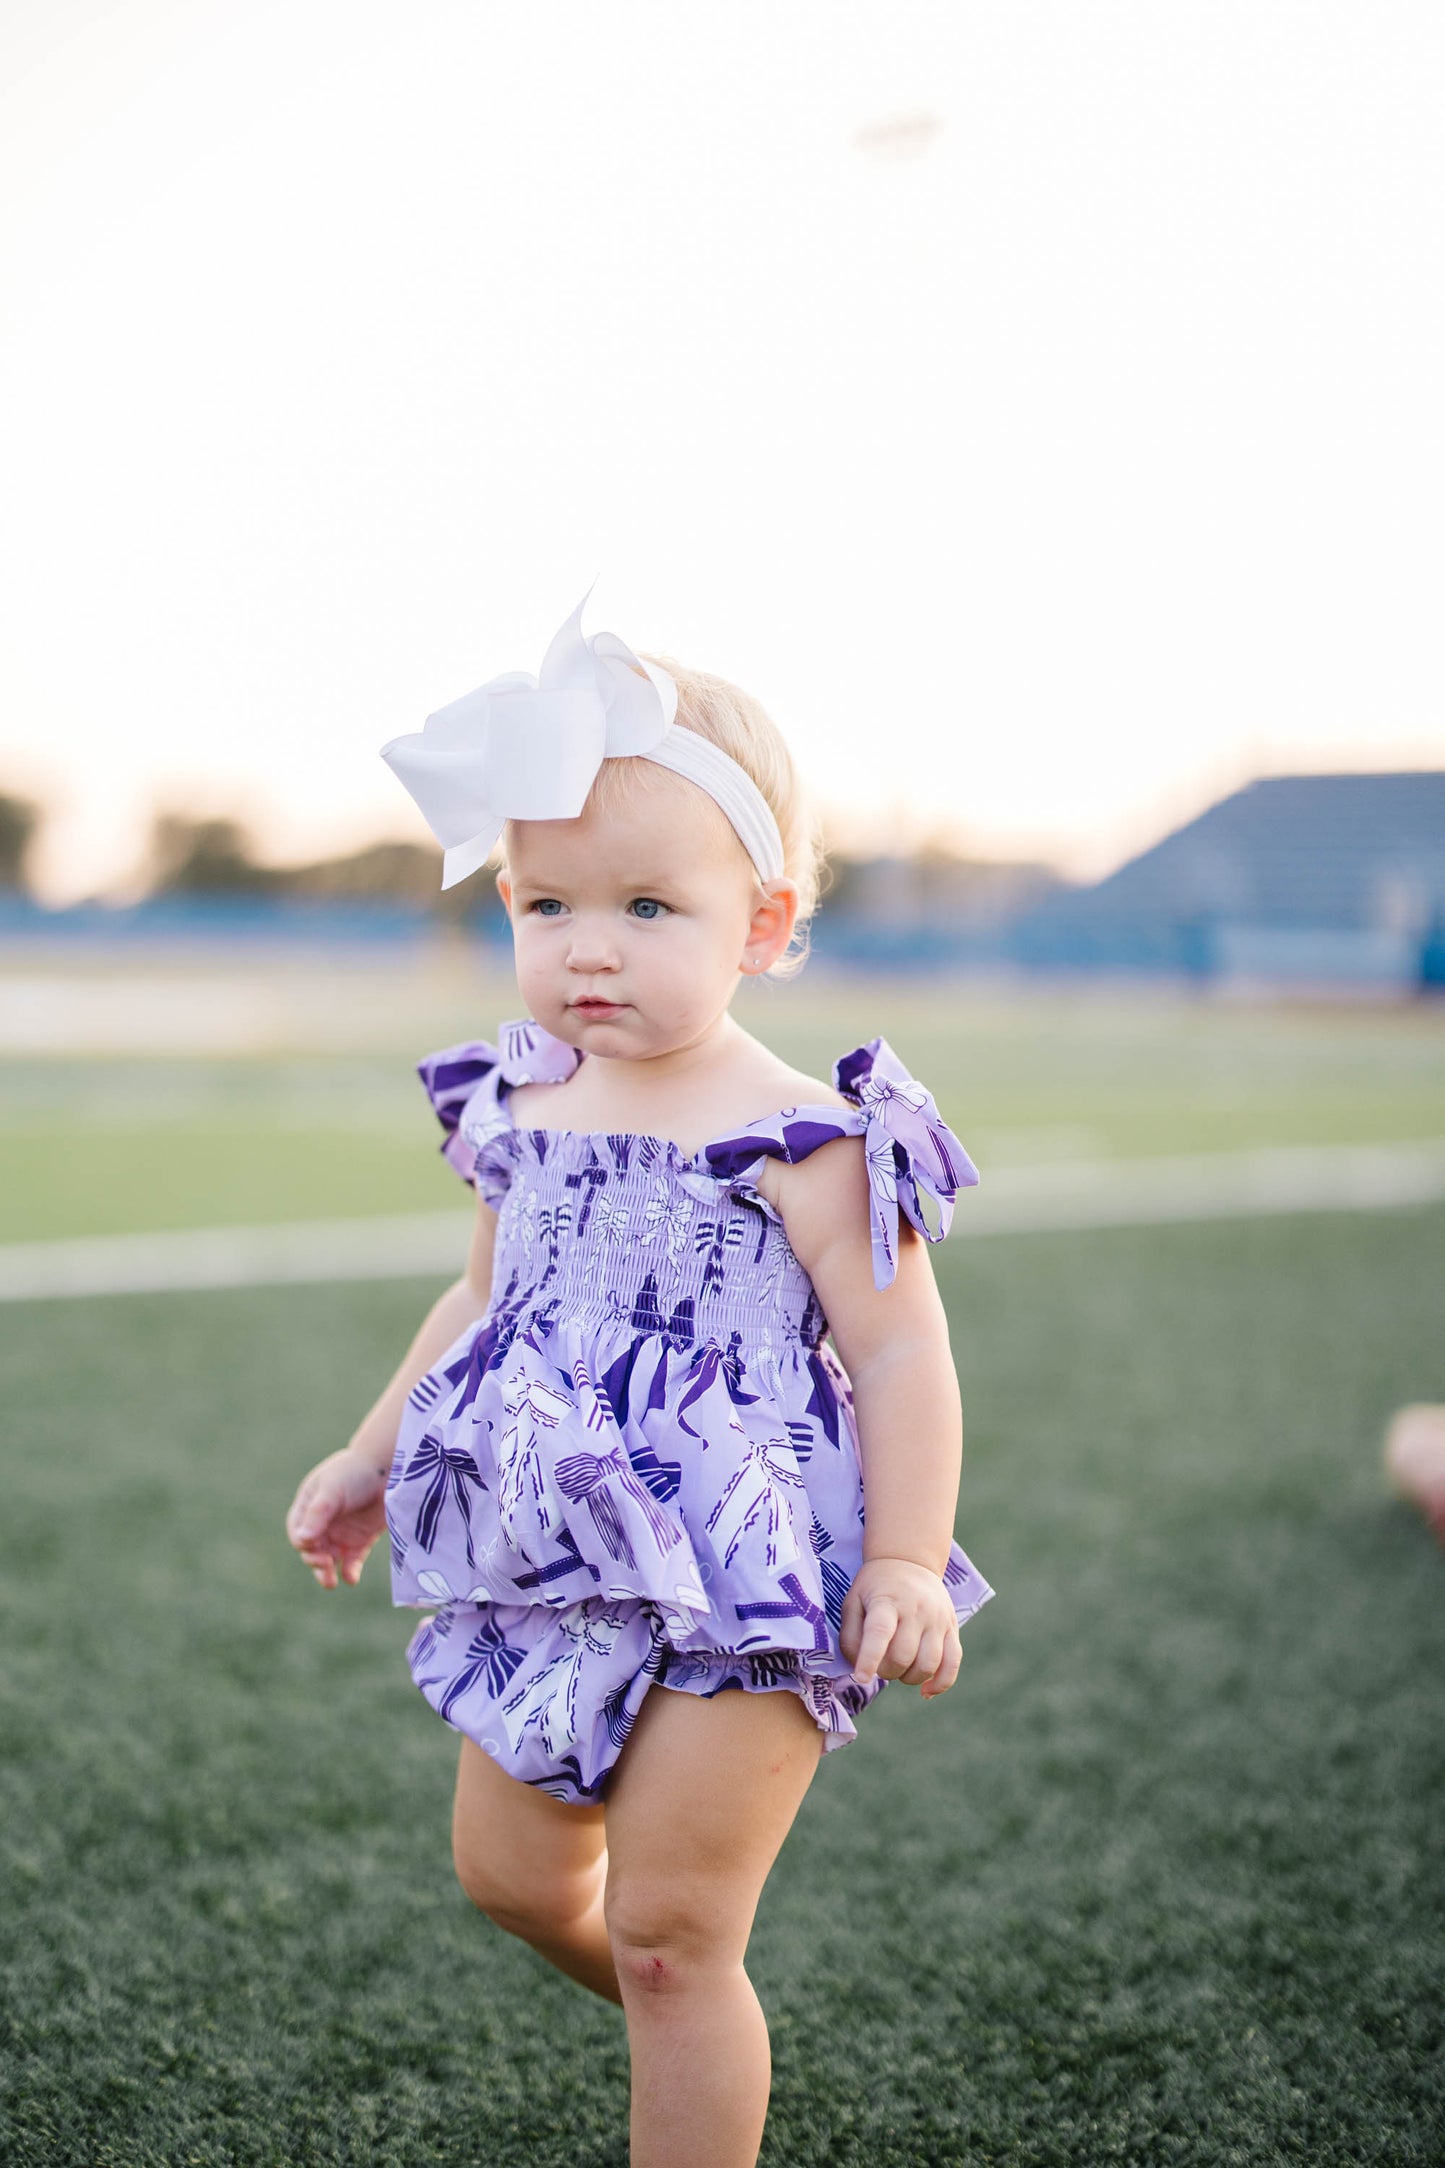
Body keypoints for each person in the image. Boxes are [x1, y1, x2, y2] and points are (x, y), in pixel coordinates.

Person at [284, 595, 994, 2168]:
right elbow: (480, 1300)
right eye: (547, 904)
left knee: (673, 1938)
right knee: (514, 1884)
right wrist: (368, 1454)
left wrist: (901, 1560)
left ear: (761, 921)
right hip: (541, 1546)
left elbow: (900, 1350)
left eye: (648, 906)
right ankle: (696, 2045)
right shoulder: (518, 1102)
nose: (587, 945)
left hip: (742, 1562)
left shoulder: (807, 1137)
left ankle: (690, 2035)